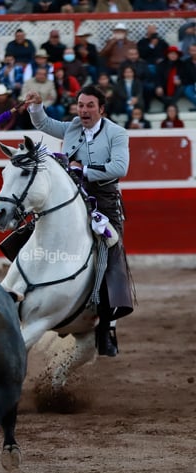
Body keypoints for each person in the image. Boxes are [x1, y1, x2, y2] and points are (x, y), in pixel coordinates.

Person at [24, 85, 134, 356]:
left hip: (104, 200)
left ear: (101, 109)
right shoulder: (73, 126)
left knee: (111, 250)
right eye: (80, 105)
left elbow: (120, 168)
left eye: (89, 106)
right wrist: (36, 106)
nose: (83, 110)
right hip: (72, 194)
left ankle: (107, 326)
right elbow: (44, 123)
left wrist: (82, 169)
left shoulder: (116, 134)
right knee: (32, 227)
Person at [154, 45, 185, 110]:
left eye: (175, 54)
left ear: (177, 55)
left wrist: (181, 81)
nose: (173, 56)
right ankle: (172, 105)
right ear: (167, 55)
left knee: (182, 87)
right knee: (153, 89)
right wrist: (159, 86)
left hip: (176, 87)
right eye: (171, 54)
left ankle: (169, 105)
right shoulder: (161, 64)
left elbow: (186, 77)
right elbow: (158, 77)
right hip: (164, 87)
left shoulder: (182, 64)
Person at [181, 43, 196, 111]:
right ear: (189, 51)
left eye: (195, 50)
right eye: (191, 50)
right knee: (187, 90)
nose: (193, 52)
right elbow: (184, 76)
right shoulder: (186, 62)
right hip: (191, 84)